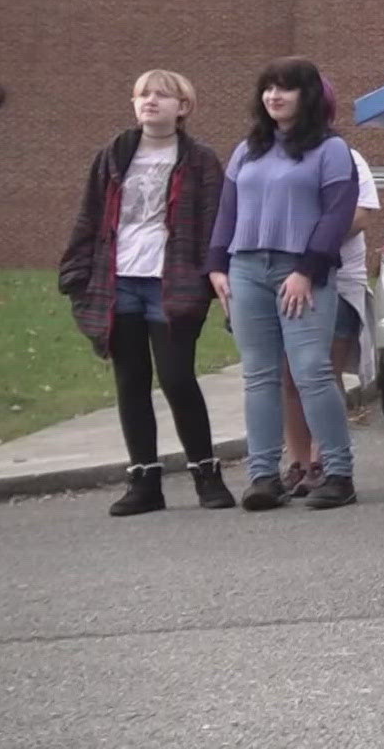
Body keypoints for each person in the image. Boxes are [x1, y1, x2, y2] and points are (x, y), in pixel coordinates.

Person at [59, 70, 235, 516]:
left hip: (173, 281)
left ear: (183, 107)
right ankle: (144, 482)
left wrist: (214, 270)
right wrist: (77, 272)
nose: (151, 102)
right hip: (118, 282)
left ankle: (206, 475)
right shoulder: (113, 156)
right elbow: (89, 214)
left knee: (177, 378)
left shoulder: (200, 160)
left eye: (162, 95)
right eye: (143, 95)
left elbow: (216, 221)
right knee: (131, 382)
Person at [208, 57, 361, 511]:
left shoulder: (332, 150)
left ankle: (337, 472)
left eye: (286, 89)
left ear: (307, 95)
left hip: (302, 273)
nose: (275, 96)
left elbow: (336, 216)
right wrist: (217, 266)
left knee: (312, 371)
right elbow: (227, 211)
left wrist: (306, 271)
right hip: (246, 270)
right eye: (268, 88)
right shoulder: (246, 151)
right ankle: (262, 477)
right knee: (259, 375)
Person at [281, 79, 380, 499]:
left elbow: (358, 216)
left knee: (322, 371)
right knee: (289, 375)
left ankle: (326, 459)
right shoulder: (271, 157)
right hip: (282, 279)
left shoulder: (346, 156)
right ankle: (298, 462)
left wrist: (313, 238)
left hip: (336, 280)